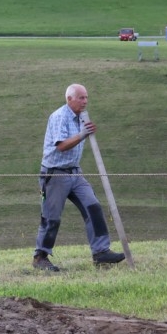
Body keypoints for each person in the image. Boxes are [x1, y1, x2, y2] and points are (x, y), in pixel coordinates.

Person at [33, 84, 126, 272]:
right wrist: (83, 134)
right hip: (54, 174)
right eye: (81, 98)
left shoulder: (82, 117)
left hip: (75, 172)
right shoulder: (60, 116)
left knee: (93, 207)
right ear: (69, 99)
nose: (85, 101)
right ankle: (40, 258)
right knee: (51, 218)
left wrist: (83, 131)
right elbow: (61, 146)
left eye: (86, 97)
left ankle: (101, 253)